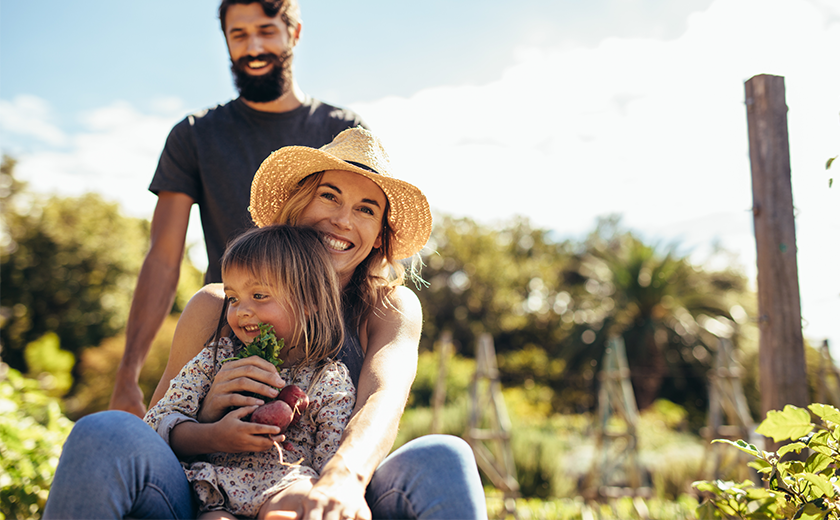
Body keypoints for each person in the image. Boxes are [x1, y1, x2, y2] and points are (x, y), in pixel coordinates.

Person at [45, 127, 487, 520]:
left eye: (366, 209)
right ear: (298, 204)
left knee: (445, 455)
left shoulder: (388, 306)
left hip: (320, 486)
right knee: (103, 432)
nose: (342, 219)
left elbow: (383, 399)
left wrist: (342, 478)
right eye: (329, 195)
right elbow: (156, 429)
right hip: (204, 492)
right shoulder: (216, 305)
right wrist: (208, 413)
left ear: (379, 236)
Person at [110, 0, 367, 418]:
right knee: (162, 441)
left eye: (266, 31)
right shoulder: (194, 136)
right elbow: (162, 257)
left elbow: (365, 239)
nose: (253, 47)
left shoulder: (340, 131)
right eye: (239, 35)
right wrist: (127, 373)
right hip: (231, 336)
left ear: (294, 34)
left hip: (326, 340)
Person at [145, 225, 356, 519]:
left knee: (302, 499)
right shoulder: (216, 360)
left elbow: (331, 456)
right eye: (233, 298)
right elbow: (155, 423)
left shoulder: (328, 380)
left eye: (259, 295)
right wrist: (213, 436)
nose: (241, 310)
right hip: (216, 489)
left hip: (286, 484)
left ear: (309, 303)